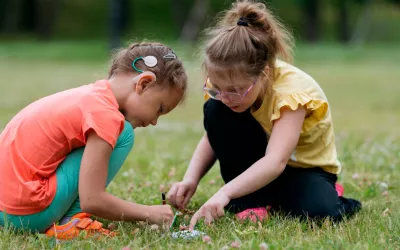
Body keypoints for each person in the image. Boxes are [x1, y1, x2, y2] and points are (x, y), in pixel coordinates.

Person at [167, 0, 361, 230]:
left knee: (319, 214)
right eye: (216, 88)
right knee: (216, 110)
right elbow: (215, 135)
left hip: (302, 170)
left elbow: (275, 161)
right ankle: (251, 200)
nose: (226, 96)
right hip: (258, 163)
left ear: (264, 74)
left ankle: (326, 193)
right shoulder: (224, 87)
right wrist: (191, 178)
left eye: (236, 90)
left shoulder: (291, 94)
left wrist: (225, 192)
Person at [0, 42, 187, 240]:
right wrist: (149, 213)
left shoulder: (91, 96)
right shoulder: (105, 114)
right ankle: (71, 222)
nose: (154, 122)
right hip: (26, 214)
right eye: (159, 109)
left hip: (4, 209)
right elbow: (92, 200)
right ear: (144, 83)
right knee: (124, 133)